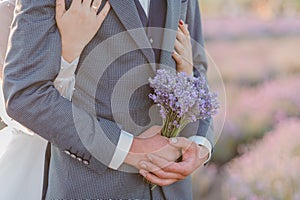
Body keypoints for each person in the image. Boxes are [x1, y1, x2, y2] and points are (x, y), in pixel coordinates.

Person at [3, 0, 214, 199]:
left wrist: (200, 144)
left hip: (173, 191)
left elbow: (194, 67)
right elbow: (26, 95)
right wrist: (130, 149)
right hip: (89, 187)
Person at [0, 0, 110, 199]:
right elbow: (22, 110)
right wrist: (68, 51)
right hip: (31, 169)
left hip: (96, 173)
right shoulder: (6, 14)